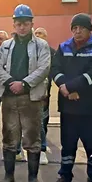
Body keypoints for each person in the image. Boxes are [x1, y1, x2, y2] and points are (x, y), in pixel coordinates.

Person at [48, 14, 92, 182]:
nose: (77, 31)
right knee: (67, 145)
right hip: (68, 107)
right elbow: (55, 69)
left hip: (90, 108)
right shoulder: (63, 47)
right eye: (74, 28)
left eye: (81, 28)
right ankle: (65, 177)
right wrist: (64, 87)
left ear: (89, 30)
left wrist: (71, 87)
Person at [0, 4, 51, 182]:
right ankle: (8, 176)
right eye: (19, 24)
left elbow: (44, 68)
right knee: (9, 136)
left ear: (31, 24)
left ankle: (33, 178)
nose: (22, 27)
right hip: (9, 98)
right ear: (14, 25)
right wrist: (10, 81)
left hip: (31, 99)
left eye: (25, 23)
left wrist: (24, 84)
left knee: (32, 138)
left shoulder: (41, 45)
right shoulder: (6, 46)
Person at [32, 27, 53, 164]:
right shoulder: (30, 50)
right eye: (36, 33)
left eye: (41, 33)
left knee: (41, 121)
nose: (38, 35)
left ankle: (42, 149)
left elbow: (51, 71)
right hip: (26, 90)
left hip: (43, 91)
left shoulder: (51, 52)